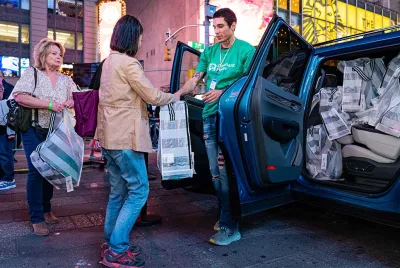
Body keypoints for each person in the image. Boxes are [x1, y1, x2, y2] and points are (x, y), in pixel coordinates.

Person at [96, 15, 179, 268]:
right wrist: (177, 94)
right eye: (140, 36)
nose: (142, 40)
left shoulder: (109, 62)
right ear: (132, 37)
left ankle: (111, 243)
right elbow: (152, 96)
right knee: (139, 191)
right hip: (126, 139)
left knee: (118, 192)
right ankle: (117, 250)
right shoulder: (130, 64)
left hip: (108, 137)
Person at [176, 8, 256, 246]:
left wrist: (222, 91)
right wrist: (176, 95)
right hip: (210, 116)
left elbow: (249, 83)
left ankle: (231, 226)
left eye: (221, 26)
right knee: (215, 172)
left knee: (227, 171)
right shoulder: (209, 52)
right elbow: (196, 78)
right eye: (214, 26)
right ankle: (225, 217)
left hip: (231, 117)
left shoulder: (246, 50)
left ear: (233, 25)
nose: (216, 31)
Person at [11, 38, 78, 236]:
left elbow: (78, 97)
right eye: (53, 54)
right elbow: (20, 97)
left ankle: (47, 209)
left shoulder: (66, 79)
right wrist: (48, 104)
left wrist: (71, 101)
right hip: (32, 128)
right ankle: (37, 217)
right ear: (42, 55)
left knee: (50, 168)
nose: (58, 57)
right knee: (35, 170)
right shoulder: (32, 73)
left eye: (60, 54)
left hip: (54, 130)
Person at [0, 70, 16, 191]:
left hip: (6, 127)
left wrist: (12, 131)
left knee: (5, 154)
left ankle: (8, 178)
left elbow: (12, 111)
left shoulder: (9, 88)